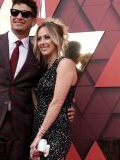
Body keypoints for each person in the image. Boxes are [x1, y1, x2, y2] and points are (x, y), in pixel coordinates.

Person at [0, 0, 75, 160]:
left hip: (23, 128)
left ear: (33, 20)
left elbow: (52, 85)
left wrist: (69, 106)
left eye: (25, 14)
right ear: (10, 16)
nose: (19, 17)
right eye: (15, 12)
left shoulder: (39, 52)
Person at [29, 18, 79, 160]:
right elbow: (38, 103)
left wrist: (39, 135)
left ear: (57, 40)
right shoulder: (42, 69)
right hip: (40, 127)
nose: (42, 42)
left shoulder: (65, 64)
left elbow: (57, 102)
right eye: (39, 38)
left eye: (47, 37)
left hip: (56, 129)